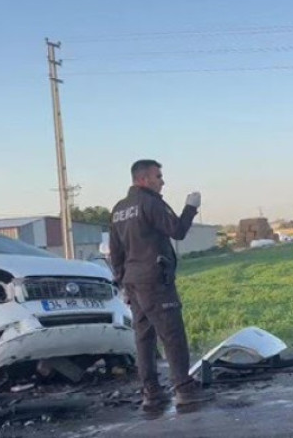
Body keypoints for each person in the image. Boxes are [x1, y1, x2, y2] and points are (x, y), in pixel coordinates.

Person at [109, 159, 214, 410]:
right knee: (172, 334)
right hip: (155, 280)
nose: (162, 181)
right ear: (143, 179)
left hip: (133, 281)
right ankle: (184, 389)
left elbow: (115, 251)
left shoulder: (119, 209)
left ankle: (151, 392)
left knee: (144, 338)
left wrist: (122, 280)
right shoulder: (150, 202)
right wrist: (190, 207)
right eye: (158, 176)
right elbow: (177, 230)